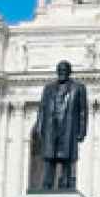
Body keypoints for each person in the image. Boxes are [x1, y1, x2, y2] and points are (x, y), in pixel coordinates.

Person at [32, 60, 88, 190]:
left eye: (64, 70)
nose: (62, 73)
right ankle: (47, 184)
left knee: (67, 159)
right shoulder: (48, 88)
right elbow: (42, 109)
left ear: (69, 72)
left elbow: (83, 111)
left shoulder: (78, 88)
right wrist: (39, 127)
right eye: (60, 70)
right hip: (51, 126)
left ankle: (66, 183)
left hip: (68, 127)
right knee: (49, 157)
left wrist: (82, 130)